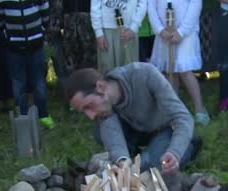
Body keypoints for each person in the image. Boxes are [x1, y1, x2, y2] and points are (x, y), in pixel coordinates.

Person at [64, 62, 202, 174]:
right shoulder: (105, 104)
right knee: (100, 131)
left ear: (100, 87)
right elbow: (112, 133)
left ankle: (187, 146)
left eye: (89, 106)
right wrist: (122, 161)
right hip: (137, 130)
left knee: (150, 164)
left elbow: (183, 116)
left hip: (164, 129)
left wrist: (175, 152)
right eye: (84, 111)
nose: (91, 115)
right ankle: (138, 158)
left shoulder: (145, 74)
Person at [0, 0, 54, 129]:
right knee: (18, 84)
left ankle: (43, 115)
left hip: (36, 45)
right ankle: (23, 117)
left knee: (39, 83)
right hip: (14, 47)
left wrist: (41, 30)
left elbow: (46, 13)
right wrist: (7, 35)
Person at [148, 0, 210, 126]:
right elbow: (151, 7)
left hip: (185, 33)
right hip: (164, 33)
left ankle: (199, 110)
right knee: (170, 71)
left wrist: (181, 32)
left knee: (184, 71)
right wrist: (160, 30)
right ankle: (175, 110)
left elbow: (195, 5)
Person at [91, 0, 147, 72]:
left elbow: (143, 3)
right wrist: (98, 32)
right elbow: (95, 6)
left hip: (129, 30)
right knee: (108, 72)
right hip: (106, 31)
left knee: (129, 71)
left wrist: (134, 27)